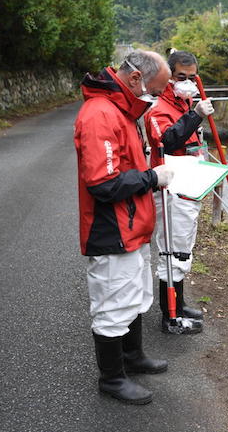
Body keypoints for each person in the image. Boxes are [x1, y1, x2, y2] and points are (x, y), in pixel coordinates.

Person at [74, 50, 174, 405]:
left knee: (134, 296)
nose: (158, 97)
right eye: (157, 89)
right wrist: (151, 178)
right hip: (112, 229)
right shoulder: (101, 114)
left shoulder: (122, 109)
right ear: (135, 79)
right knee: (112, 305)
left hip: (131, 225)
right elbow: (101, 184)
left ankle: (132, 357)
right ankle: (112, 379)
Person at [144, 50, 214, 335]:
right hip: (170, 187)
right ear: (169, 77)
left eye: (191, 77)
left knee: (183, 249)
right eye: (180, 77)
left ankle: (180, 304)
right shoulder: (158, 106)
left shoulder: (184, 101)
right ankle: (169, 315)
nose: (186, 82)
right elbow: (168, 140)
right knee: (172, 252)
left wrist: (193, 112)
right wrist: (195, 116)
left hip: (189, 184)